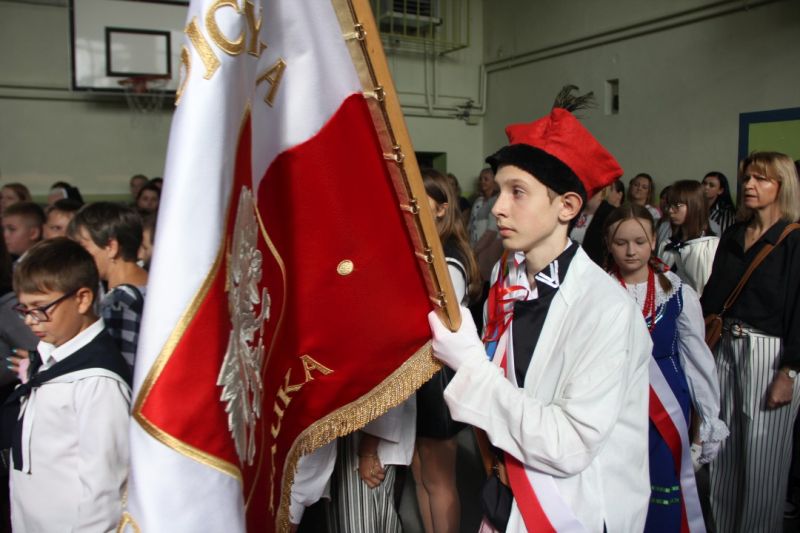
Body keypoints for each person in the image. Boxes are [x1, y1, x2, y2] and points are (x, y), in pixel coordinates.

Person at [428, 86, 652, 532]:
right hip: (503, 493)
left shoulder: (606, 308)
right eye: (500, 190)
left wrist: (470, 366)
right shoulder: (506, 275)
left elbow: (569, 443)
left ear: (567, 206)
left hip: (567, 510)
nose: (498, 207)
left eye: (518, 192)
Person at [604, 203, 727, 532]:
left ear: (654, 241)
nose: (631, 251)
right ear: (608, 244)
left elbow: (697, 359)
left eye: (640, 242)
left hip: (666, 399)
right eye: (621, 243)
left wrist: (708, 418)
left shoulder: (677, 292)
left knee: (661, 478)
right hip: (615, 400)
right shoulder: (598, 290)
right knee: (618, 483)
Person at [2, 237, 131, 532]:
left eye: (40, 307)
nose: (30, 321)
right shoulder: (50, 359)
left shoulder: (97, 381)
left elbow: (105, 488)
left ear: (82, 299)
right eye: (24, 309)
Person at [701, 151, 800, 533]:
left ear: (782, 186)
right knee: (723, 454)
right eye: (746, 178)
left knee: (762, 461)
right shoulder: (733, 235)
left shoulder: (793, 240)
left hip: (769, 355)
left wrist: (789, 372)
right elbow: (712, 298)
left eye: (761, 179)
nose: (749, 185)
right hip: (725, 347)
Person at [412, 169, 481, 533]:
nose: (412, 206)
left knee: (438, 479)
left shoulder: (449, 256)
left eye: (421, 200)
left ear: (442, 208)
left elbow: (442, 322)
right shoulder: (427, 248)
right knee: (421, 475)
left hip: (437, 373)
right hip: (419, 371)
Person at [69, 202, 148, 371]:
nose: (76, 257)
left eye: (82, 247)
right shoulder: (152, 284)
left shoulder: (119, 301)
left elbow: (120, 368)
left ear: (111, 247)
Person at [657, 180, 719, 295]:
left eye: (677, 205)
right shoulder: (666, 245)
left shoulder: (711, 245)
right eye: (669, 205)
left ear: (695, 205)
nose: (670, 211)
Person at [468, 167, 503, 283]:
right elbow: (471, 224)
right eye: (481, 179)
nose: (482, 182)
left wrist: (474, 251)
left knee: (487, 282)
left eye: (486, 179)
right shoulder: (478, 200)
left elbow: (491, 232)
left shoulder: (497, 201)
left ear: (494, 181)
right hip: (474, 247)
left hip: (489, 249)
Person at [702, 171, 736, 237]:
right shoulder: (696, 208)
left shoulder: (726, 213)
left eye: (711, 185)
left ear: (720, 191)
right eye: (704, 183)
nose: (706, 187)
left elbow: (726, 237)